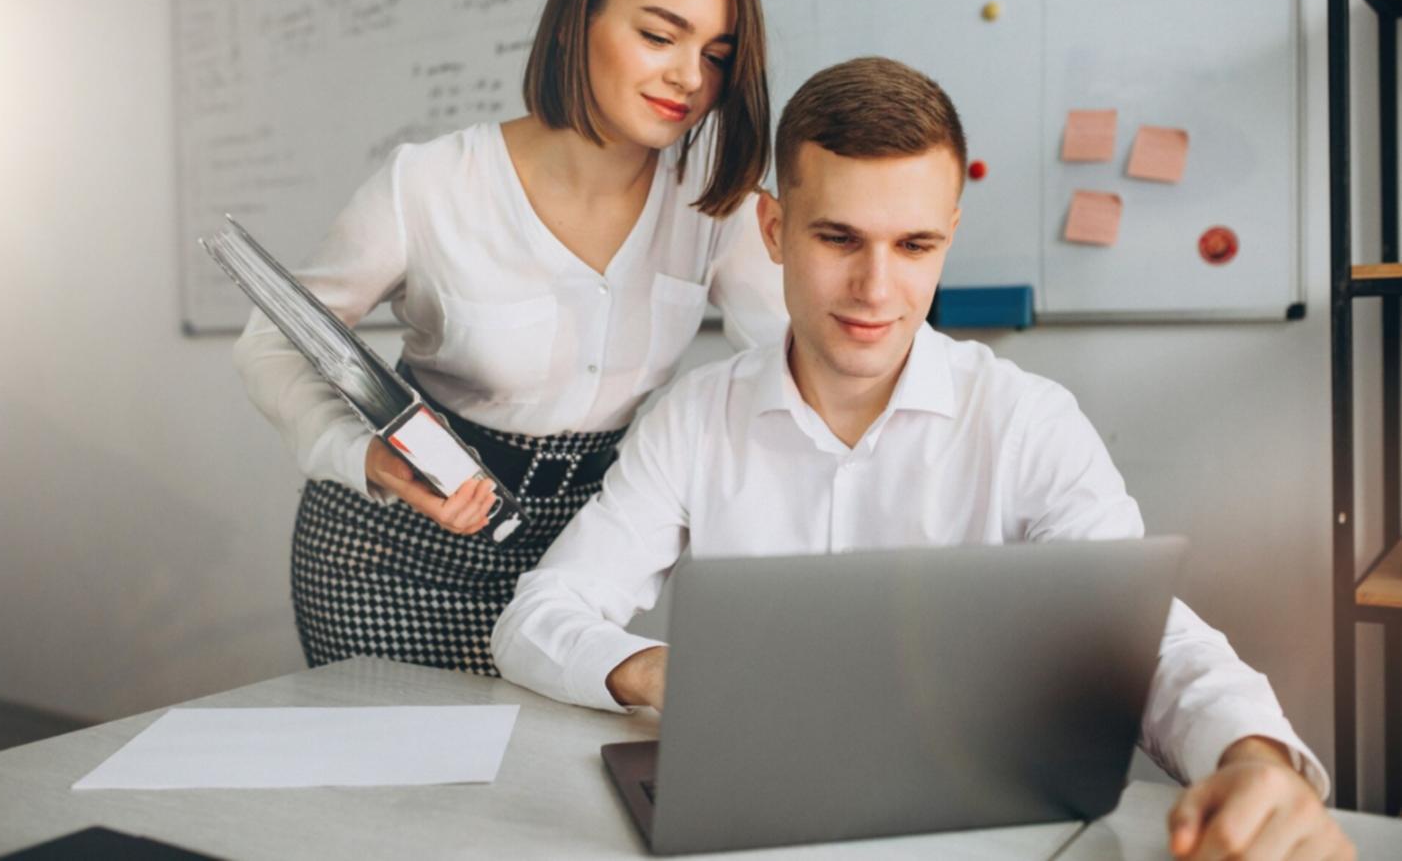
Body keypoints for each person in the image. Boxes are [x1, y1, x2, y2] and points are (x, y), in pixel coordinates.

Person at [492, 57, 1354, 860]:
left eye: (914, 247)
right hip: (755, 828)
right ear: (774, 229)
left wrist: (1254, 756)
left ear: (950, 233)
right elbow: (536, 620)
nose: (876, 289)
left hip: (975, 831)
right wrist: (656, 670)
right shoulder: (694, 419)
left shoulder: (1025, 420)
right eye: (838, 239)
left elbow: (1144, 638)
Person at [233, 0, 785, 676]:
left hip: (573, 567)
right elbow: (273, 341)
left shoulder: (713, 200)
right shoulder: (428, 184)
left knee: (547, 784)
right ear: (577, 18)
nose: (690, 77)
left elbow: (793, 360)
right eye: (660, 35)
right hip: (393, 554)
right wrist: (364, 454)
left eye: (718, 55)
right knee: (406, 792)